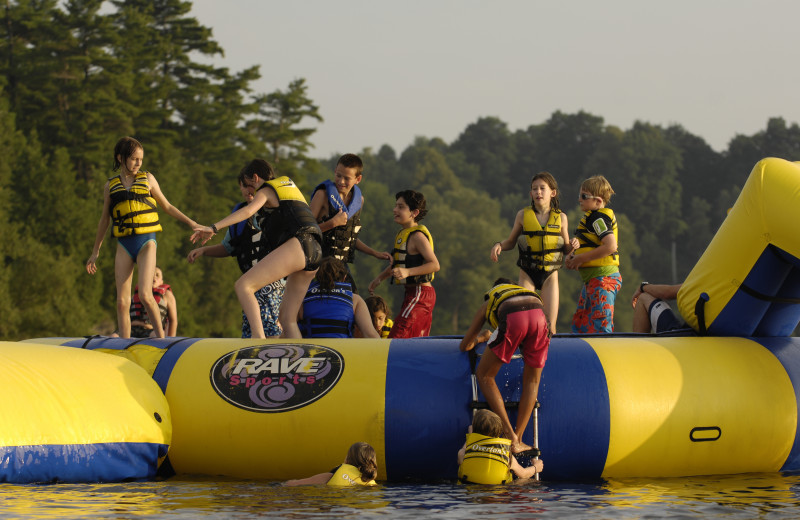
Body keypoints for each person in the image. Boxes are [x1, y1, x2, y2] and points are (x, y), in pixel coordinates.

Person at [191, 160, 321, 339]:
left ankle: (257, 339)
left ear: (255, 178)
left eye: (247, 186)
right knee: (286, 320)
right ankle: (296, 361)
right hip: (315, 250)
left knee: (243, 285)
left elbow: (246, 212)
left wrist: (213, 227)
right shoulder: (287, 189)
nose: (248, 192)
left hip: (300, 243)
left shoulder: (266, 190)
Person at [86, 136, 196, 339]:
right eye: (134, 159)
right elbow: (104, 220)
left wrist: (193, 224)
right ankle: (125, 346)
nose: (138, 163)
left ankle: (162, 343)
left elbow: (168, 206)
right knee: (121, 301)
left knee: (146, 295)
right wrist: (95, 252)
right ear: (121, 158)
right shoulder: (110, 186)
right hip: (124, 244)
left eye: (141, 159)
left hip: (146, 242)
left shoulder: (148, 179)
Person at [187, 173, 284, 338]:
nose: (249, 190)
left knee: (273, 331)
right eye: (244, 186)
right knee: (251, 334)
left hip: (273, 284)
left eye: (251, 185)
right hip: (250, 288)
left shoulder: (274, 212)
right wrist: (204, 250)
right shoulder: (238, 218)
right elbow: (228, 248)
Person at [460, 278, 550, 454]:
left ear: (495, 288)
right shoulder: (526, 293)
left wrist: (482, 338)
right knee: (532, 381)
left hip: (513, 317)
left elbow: (465, 345)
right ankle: (520, 438)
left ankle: (510, 435)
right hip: (540, 317)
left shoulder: (491, 300)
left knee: (485, 375)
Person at [490, 172, 573, 334]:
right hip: (527, 273)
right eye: (535, 189)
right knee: (524, 322)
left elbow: (566, 248)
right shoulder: (522, 215)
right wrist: (498, 245)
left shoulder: (561, 218)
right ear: (530, 193)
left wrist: (575, 246)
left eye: (542, 188)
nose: (538, 192)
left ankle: (551, 357)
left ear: (552, 193)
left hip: (550, 275)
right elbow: (511, 242)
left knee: (550, 326)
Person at [309, 153, 391, 291]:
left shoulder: (359, 201)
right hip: (319, 263)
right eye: (338, 175)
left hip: (341, 266)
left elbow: (349, 237)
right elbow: (306, 231)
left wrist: (374, 253)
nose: (341, 181)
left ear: (358, 179)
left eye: (346, 178)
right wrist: (332, 223)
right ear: (334, 171)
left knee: (353, 299)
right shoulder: (322, 195)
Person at [368, 190, 440, 338]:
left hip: (421, 294)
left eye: (401, 207)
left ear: (414, 212)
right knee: (413, 341)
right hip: (411, 293)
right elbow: (398, 266)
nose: (395, 210)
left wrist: (408, 272)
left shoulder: (418, 236)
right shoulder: (403, 234)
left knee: (397, 337)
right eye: (395, 206)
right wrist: (379, 279)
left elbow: (434, 265)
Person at [565, 175, 622, 334]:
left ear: (598, 201)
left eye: (584, 196)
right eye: (579, 196)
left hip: (603, 280)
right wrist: (572, 257)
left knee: (600, 323)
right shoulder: (591, 219)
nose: (579, 200)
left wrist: (580, 259)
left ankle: (604, 355)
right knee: (582, 323)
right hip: (592, 280)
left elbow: (610, 246)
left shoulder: (598, 219)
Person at [298, 257, 379, 338]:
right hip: (341, 349)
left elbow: (288, 327)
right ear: (344, 277)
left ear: (317, 275)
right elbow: (370, 334)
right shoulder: (354, 299)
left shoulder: (303, 298)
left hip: (312, 349)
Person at [457, 409, 543, 484]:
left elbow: (467, 446)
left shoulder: (463, 454)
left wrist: (472, 436)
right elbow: (524, 474)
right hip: (498, 492)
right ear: (499, 433)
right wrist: (536, 468)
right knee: (523, 480)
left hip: (470, 491)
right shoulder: (507, 456)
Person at [284, 442, 378, 486]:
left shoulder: (329, 477)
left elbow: (294, 484)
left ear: (348, 459)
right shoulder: (372, 486)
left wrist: (285, 484)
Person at [129, 266, 177, 337]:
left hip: (151, 330)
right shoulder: (137, 294)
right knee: (114, 336)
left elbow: (173, 321)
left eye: (157, 275)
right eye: (151, 274)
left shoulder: (167, 295)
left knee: (156, 337)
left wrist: (170, 341)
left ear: (161, 281)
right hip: (131, 329)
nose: (154, 277)